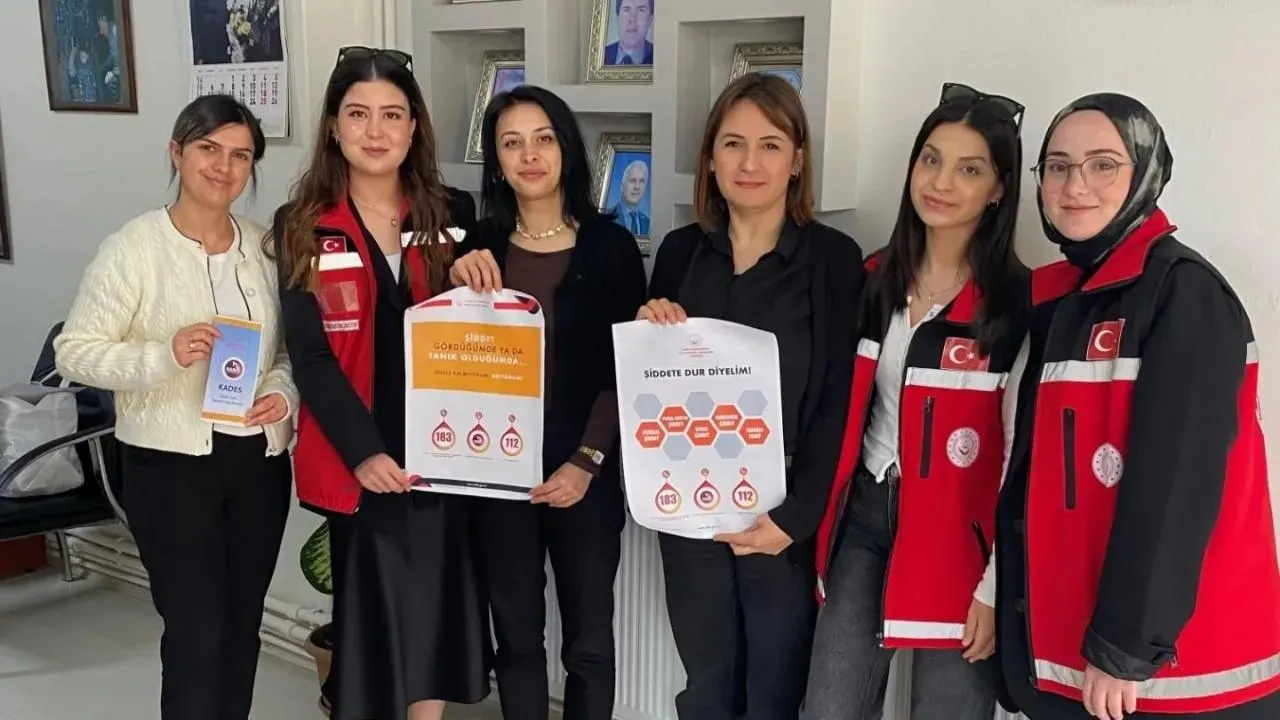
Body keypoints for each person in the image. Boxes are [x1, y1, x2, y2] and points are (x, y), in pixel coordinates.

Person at [995, 92, 1280, 720]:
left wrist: (1125, 644)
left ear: (1147, 173)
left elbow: (1177, 486)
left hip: (1175, 673)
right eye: (1058, 166)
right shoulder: (1062, 299)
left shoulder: (1184, 293)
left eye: (1103, 164)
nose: (1076, 186)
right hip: (1083, 658)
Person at [54, 94, 295, 720]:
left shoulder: (265, 248)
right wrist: (163, 355)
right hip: (168, 469)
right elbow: (74, 352)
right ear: (176, 153)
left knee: (242, 627)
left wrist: (282, 393)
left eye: (240, 155)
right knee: (195, 634)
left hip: (256, 465)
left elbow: (287, 352)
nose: (224, 167)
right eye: (208, 149)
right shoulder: (134, 248)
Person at [269, 46, 490, 720]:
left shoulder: (452, 212)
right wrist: (364, 453)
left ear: (414, 127)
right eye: (358, 113)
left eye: (392, 114)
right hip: (363, 459)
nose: (375, 130)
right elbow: (311, 356)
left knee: (435, 625)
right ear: (334, 126)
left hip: (444, 452)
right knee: (373, 632)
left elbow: (480, 333)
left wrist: (475, 278)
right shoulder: (303, 224)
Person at [801, 82, 1030, 720]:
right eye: (931, 159)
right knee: (829, 708)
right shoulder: (873, 280)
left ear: (999, 189)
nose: (942, 182)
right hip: (867, 515)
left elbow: (1022, 457)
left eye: (970, 169)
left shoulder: (1018, 304)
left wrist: (995, 585)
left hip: (964, 536)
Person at [639, 72, 864, 720]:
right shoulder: (681, 252)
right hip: (689, 504)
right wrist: (650, 326)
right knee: (707, 683)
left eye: (770, 145)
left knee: (775, 690)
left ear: (797, 161)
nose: (749, 163)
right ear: (710, 159)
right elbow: (653, 382)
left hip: (782, 509)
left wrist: (796, 519)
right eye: (733, 144)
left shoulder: (833, 260)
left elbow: (839, 399)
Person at [449, 84, 647, 720]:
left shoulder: (611, 247)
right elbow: (448, 355)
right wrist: (455, 282)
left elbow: (625, 366)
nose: (529, 155)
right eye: (512, 143)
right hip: (497, 469)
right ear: (496, 161)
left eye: (543, 139)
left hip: (585, 467)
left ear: (566, 149)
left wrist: (586, 461)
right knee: (516, 637)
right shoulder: (477, 245)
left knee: (589, 642)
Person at [604, 0, 654, 65]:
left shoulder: (661, 56)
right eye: (626, 10)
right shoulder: (600, 56)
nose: (632, 18)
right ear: (618, 17)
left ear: (650, 19)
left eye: (641, 10)